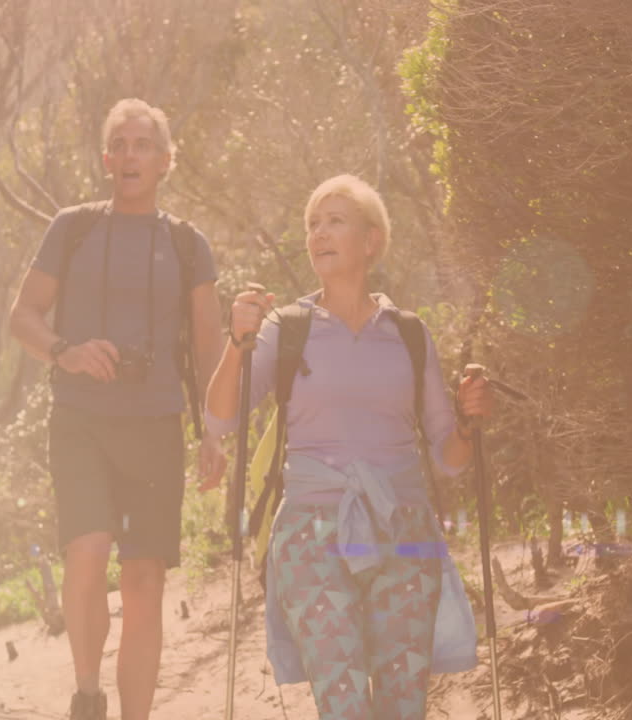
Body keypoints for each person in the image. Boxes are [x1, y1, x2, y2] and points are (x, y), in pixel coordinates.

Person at [205, 174, 493, 719]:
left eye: (335, 221)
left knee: (402, 706)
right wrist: (237, 343)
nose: (319, 233)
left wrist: (469, 422)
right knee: (344, 705)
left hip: (405, 530)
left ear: (371, 240)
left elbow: (449, 458)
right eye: (312, 224)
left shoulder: (409, 333)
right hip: (311, 534)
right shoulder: (285, 327)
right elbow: (221, 415)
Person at [8, 98, 226, 720]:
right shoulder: (73, 228)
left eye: (143, 145)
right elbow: (23, 316)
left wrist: (214, 429)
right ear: (107, 160)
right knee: (87, 551)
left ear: (164, 161)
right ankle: (87, 693)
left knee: (145, 581)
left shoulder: (187, 245)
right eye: (120, 145)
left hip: (156, 427)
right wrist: (67, 352)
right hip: (80, 420)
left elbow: (208, 346)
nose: (130, 155)